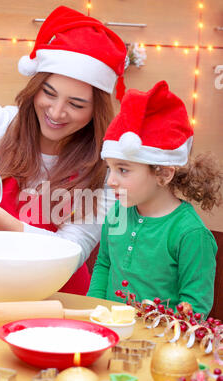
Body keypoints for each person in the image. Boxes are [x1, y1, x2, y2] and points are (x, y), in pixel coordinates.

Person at [0, 6, 127, 295]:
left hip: (54, 298)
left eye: (76, 104)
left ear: (97, 110)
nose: (56, 112)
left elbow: (72, 250)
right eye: (49, 93)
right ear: (35, 87)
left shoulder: (105, 169)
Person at [87, 80, 222, 317]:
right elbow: (104, 265)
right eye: (110, 169)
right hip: (112, 333)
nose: (111, 181)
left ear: (163, 174)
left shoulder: (190, 234)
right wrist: (93, 313)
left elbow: (195, 306)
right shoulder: (117, 214)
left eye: (123, 170)